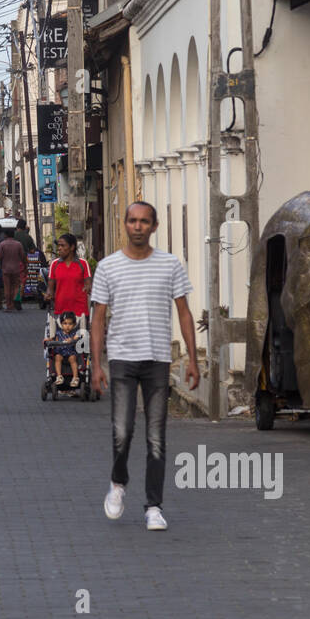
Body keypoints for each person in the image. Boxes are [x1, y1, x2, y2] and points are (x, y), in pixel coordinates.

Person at [90, 202, 199, 532]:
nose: (138, 226)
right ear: (125, 225)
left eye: (144, 222)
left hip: (157, 360)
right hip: (122, 359)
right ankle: (118, 483)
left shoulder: (169, 266)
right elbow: (97, 319)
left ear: (154, 226)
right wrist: (97, 365)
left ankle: (153, 506)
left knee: (156, 437)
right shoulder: (108, 267)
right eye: (133, 221)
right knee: (122, 431)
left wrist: (193, 359)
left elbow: (184, 312)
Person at [45, 233, 92, 321]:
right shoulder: (54, 264)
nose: (59, 248)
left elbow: (88, 283)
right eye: (58, 246)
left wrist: (88, 287)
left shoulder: (83, 263)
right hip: (61, 310)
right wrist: (48, 294)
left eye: (63, 245)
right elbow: (50, 288)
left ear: (72, 247)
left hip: (80, 311)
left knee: (80, 334)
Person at [49, 311, 82, 389]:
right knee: (57, 357)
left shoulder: (75, 333)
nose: (67, 326)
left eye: (70, 324)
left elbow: (77, 338)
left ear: (74, 325)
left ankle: (75, 377)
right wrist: (49, 340)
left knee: (72, 358)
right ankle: (59, 376)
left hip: (71, 352)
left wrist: (72, 340)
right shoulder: (58, 333)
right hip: (61, 352)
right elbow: (55, 340)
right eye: (65, 323)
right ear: (61, 324)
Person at [0, 231, 25, 313]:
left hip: (5, 268)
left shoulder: (2, 244)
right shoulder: (18, 244)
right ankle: (14, 300)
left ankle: (8, 306)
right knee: (16, 286)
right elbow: (22, 256)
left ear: (5, 235)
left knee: (7, 287)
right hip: (16, 268)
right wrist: (24, 264)